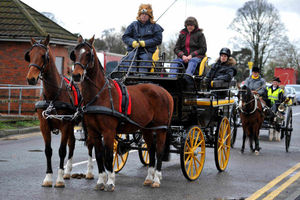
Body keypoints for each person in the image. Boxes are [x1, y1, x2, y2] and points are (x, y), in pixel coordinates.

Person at [121, 4, 163, 73]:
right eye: (142, 14)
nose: (143, 15)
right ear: (139, 15)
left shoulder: (155, 26)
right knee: (130, 58)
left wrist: (145, 43)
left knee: (145, 59)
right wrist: (132, 42)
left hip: (147, 51)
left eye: (146, 14)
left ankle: (142, 78)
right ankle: (130, 77)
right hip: (133, 50)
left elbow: (158, 39)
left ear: (149, 16)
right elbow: (125, 36)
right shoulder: (133, 25)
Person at [169, 16, 207, 89]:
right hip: (183, 57)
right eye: (188, 25)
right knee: (175, 62)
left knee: (192, 61)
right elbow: (176, 48)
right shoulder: (182, 35)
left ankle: (187, 79)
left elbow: (203, 49)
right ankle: (172, 80)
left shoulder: (200, 35)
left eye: (191, 25)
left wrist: (191, 55)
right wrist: (182, 55)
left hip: (196, 57)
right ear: (186, 26)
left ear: (195, 26)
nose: (189, 27)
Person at [266, 77, 285, 141]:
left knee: (274, 106)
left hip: (276, 105)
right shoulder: (267, 88)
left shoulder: (280, 90)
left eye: (276, 82)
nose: (275, 83)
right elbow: (264, 95)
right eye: (274, 82)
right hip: (268, 104)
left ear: (278, 83)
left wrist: (279, 102)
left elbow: (281, 99)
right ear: (272, 82)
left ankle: (272, 115)